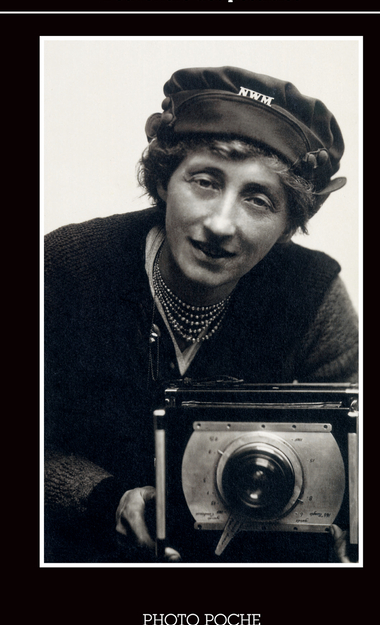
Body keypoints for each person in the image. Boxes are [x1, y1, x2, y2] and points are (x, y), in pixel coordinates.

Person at [44, 66, 358, 564]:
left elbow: (350, 455)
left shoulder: (313, 296)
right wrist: (103, 497)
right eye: (206, 181)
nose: (220, 223)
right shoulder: (66, 269)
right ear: (164, 180)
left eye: (258, 199)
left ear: (287, 225)